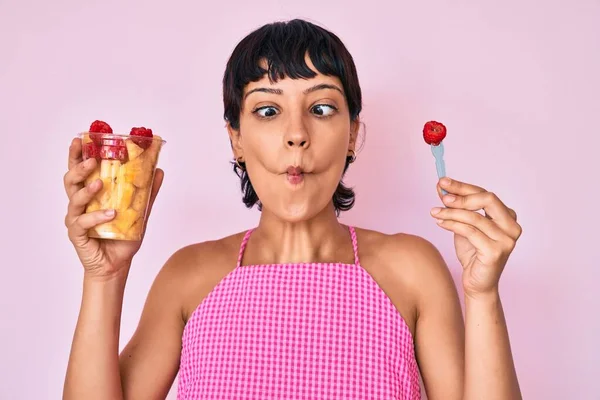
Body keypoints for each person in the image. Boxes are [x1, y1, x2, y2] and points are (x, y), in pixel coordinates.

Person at [62, 19, 523, 400]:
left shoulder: (412, 269)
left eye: (321, 108)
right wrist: (104, 278)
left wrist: (482, 295)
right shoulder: (188, 276)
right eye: (267, 111)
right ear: (236, 138)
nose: (296, 134)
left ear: (351, 135)